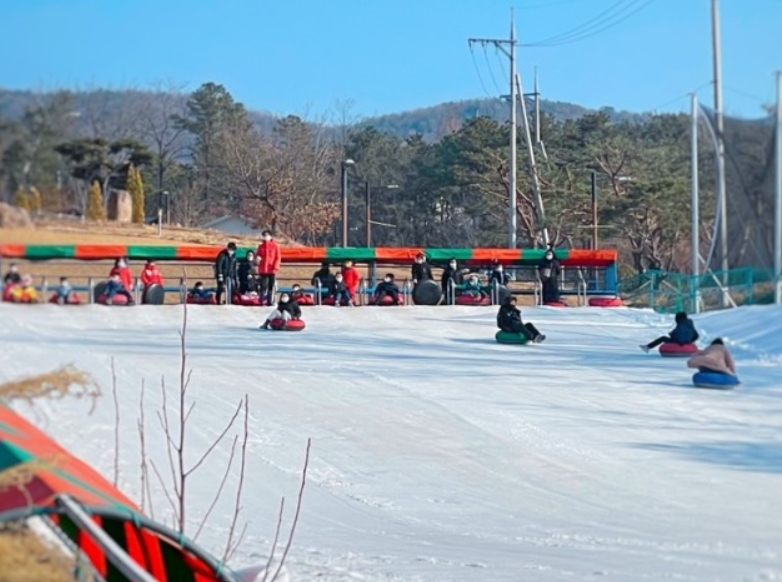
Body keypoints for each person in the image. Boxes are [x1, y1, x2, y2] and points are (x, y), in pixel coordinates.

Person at [256, 230, 281, 306]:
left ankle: (270, 301)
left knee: (271, 286)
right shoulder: (261, 246)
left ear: (271, 236)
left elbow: (278, 257)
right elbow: (258, 255)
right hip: (263, 269)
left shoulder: (275, 246)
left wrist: (276, 267)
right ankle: (262, 301)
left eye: (267, 235)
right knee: (263, 286)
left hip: (271, 269)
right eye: (264, 235)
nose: (265, 237)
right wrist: (257, 258)